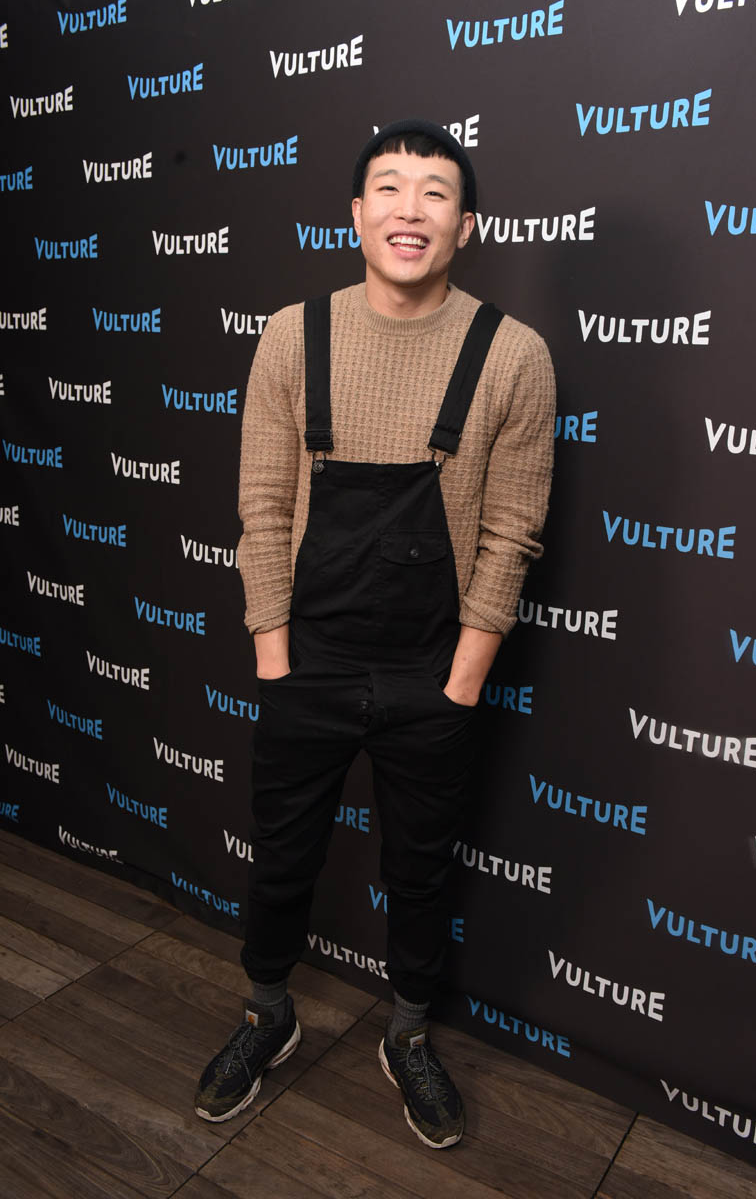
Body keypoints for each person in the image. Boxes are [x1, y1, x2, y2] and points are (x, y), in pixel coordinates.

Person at [194, 118, 556, 1149]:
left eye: (435, 192)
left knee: (423, 872)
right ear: (356, 215)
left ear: (465, 226)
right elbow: (263, 507)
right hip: (306, 661)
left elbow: (512, 532)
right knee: (281, 860)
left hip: (430, 674)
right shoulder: (290, 336)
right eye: (389, 188)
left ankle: (407, 1035)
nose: (410, 209)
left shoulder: (514, 356)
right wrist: (274, 659)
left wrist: (462, 680)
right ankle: (268, 1015)